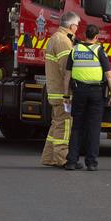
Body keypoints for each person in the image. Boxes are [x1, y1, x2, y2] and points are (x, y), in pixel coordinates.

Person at [63, 24, 111, 171]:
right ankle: (91, 162)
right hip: (96, 93)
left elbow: (67, 75)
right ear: (97, 36)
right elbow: (109, 75)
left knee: (77, 127)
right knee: (93, 128)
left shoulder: (75, 50)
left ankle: (72, 161)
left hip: (78, 91)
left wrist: (66, 95)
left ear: (85, 35)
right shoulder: (99, 50)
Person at [41, 11, 79, 167]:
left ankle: (49, 157)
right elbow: (66, 68)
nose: (77, 28)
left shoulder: (55, 38)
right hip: (61, 91)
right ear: (72, 26)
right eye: (77, 25)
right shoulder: (63, 41)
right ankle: (62, 158)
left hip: (54, 89)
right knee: (64, 125)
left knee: (56, 123)